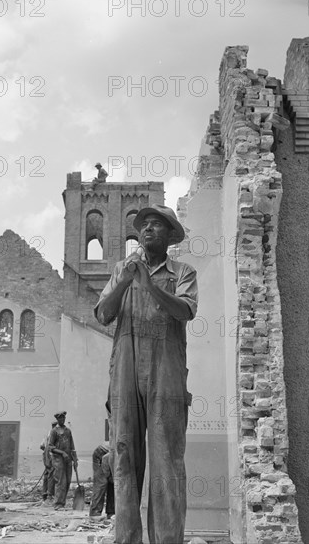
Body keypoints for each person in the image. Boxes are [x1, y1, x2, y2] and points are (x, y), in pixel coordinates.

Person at [94, 204, 198, 544]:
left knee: (167, 461)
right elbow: (103, 314)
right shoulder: (122, 270)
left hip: (166, 374)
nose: (148, 229)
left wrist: (149, 286)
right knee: (123, 457)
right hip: (125, 371)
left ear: (170, 236)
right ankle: (126, 539)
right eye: (145, 225)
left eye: (156, 225)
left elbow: (185, 311)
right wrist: (125, 281)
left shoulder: (182, 272)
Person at [48, 410, 78, 510]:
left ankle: (62, 503)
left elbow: (72, 446)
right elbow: (50, 447)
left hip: (68, 459)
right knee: (61, 481)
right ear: (57, 419)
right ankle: (58, 504)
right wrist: (62, 452)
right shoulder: (54, 432)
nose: (62, 420)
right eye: (60, 418)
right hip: (58, 459)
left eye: (63, 418)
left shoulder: (68, 431)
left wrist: (75, 458)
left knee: (68, 481)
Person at [89, 444, 114, 518]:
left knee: (114, 484)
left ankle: (111, 511)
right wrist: (109, 475)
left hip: (110, 456)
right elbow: (105, 458)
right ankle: (95, 513)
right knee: (101, 483)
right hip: (101, 454)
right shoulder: (117, 452)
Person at [40, 420, 57, 501]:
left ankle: (45, 493)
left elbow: (42, 446)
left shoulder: (48, 434)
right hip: (50, 454)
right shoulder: (53, 433)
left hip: (46, 454)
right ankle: (50, 494)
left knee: (47, 474)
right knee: (51, 474)